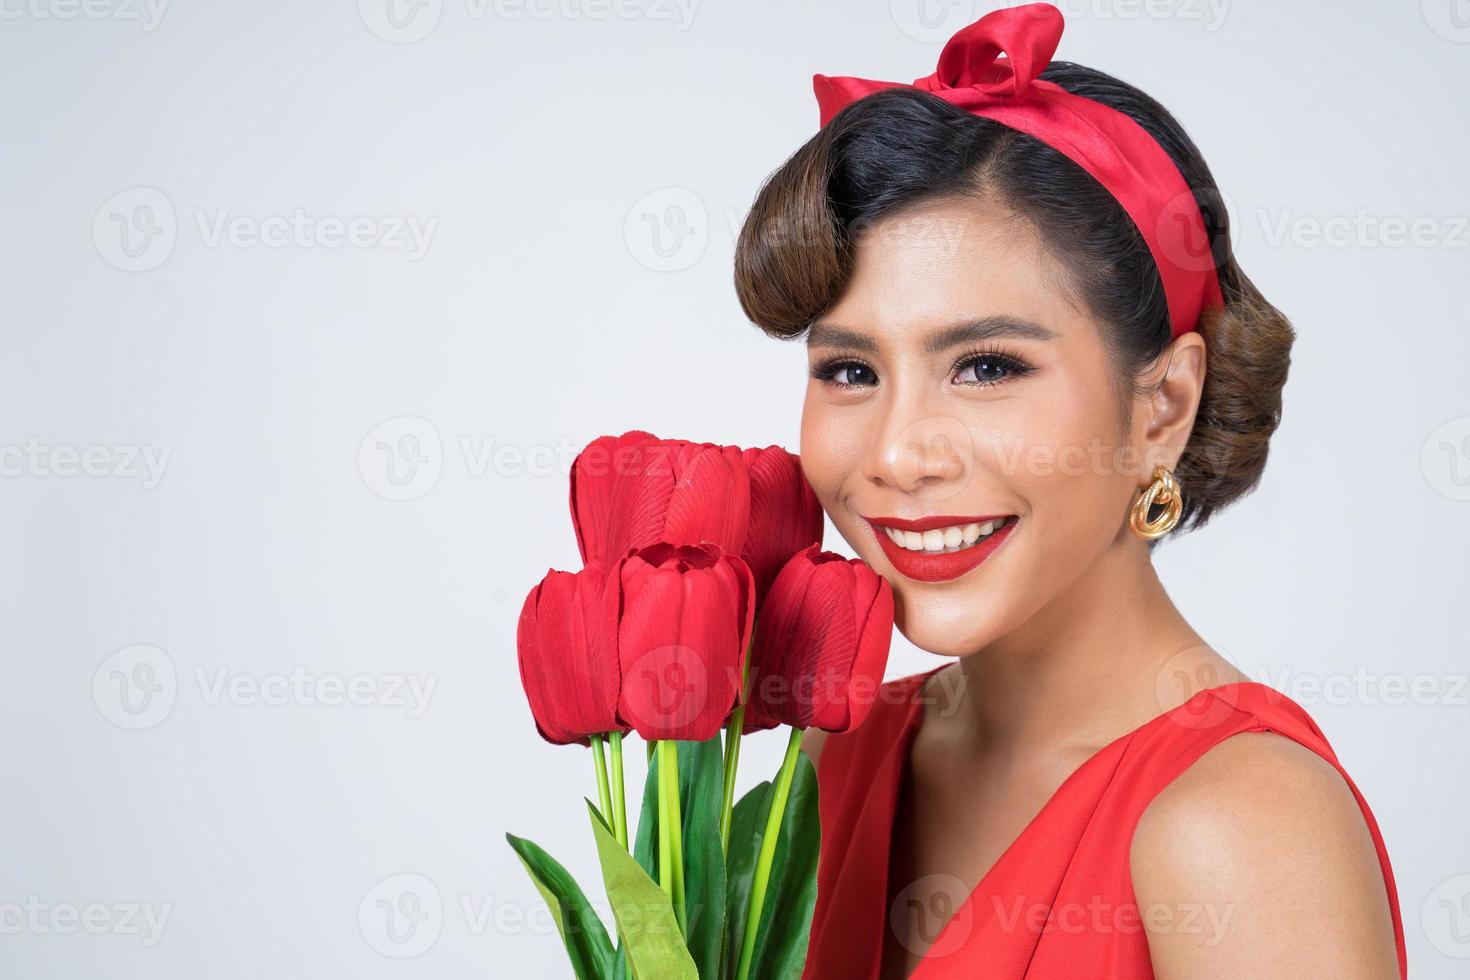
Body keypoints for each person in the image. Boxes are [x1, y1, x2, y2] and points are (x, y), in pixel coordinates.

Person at [732, 5, 1405, 978]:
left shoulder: (1242, 827)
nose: (899, 453)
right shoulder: (836, 758)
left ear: (1163, 406)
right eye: (849, 370)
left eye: (987, 365)